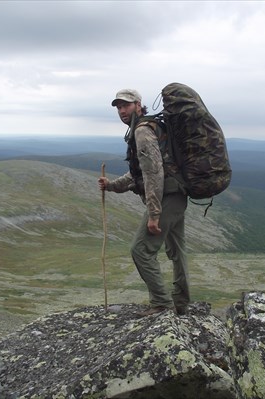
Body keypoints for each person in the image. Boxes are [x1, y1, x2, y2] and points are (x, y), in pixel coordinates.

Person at [98, 88, 190, 317]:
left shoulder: (141, 131)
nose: (122, 111)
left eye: (126, 105)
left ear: (138, 105)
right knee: (177, 251)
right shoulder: (152, 126)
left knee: (140, 250)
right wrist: (111, 185)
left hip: (166, 197)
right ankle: (181, 303)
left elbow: (153, 173)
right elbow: (138, 173)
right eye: (118, 107)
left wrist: (154, 214)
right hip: (177, 194)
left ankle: (161, 303)